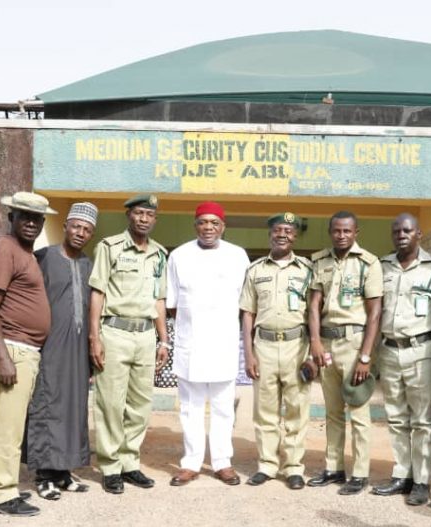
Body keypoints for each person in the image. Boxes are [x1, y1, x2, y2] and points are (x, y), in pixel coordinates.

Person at [0, 192, 54, 517]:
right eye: (25, 216)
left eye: (37, 218)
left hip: (21, 349)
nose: (31, 223)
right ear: (12, 217)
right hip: (13, 349)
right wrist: (4, 356)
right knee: (10, 426)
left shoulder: (25, 253)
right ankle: (3, 492)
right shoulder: (5, 250)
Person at [89, 195, 170, 494]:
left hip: (146, 336)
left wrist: (164, 340)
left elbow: (159, 300)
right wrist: (94, 336)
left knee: (140, 404)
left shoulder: (160, 254)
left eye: (150, 214)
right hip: (115, 332)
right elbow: (97, 292)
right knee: (111, 402)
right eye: (139, 213)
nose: (144, 219)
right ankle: (110, 466)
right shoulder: (109, 248)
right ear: (129, 216)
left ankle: (130, 462)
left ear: (155, 219)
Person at [166, 202, 249, 486]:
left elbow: (246, 304)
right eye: (203, 222)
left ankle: (222, 462)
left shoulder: (238, 256)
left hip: (224, 344)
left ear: (223, 227)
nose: (209, 227)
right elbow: (172, 303)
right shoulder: (179, 256)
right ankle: (190, 463)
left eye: (215, 222)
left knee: (224, 407)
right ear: (195, 226)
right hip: (191, 345)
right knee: (190, 407)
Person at [24, 202, 97, 500]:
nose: (80, 233)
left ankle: (64, 471)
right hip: (50, 344)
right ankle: (43, 473)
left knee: (74, 408)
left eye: (87, 230)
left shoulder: (89, 265)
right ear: (66, 226)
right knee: (46, 405)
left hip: (79, 349)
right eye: (76, 226)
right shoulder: (43, 257)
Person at [307, 211, 383, 495]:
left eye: (347, 231)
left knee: (359, 411)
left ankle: (360, 473)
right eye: (337, 231)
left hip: (354, 343)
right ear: (330, 231)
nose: (341, 235)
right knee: (333, 412)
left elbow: (375, 312)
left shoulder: (369, 263)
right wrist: (315, 342)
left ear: (356, 232)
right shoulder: (320, 261)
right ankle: (333, 468)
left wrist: (366, 356)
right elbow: (314, 305)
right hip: (326, 344)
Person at [240, 212, 315, 490]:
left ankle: (294, 467)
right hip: (265, 347)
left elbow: (314, 313)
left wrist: (312, 353)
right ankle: (267, 465)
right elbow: (247, 314)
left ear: (295, 236)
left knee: (297, 409)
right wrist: (248, 354)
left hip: (298, 345)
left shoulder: (308, 270)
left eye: (289, 230)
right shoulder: (256, 270)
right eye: (278, 230)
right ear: (270, 234)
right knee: (265, 411)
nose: (282, 234)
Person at [371, 214, 431, 506]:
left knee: (423, 419)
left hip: (421, 350)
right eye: (397, 230)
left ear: (419, 234)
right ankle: (402, 475)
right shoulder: (382, 266)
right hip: (389, 350)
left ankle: (422, 480)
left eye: (407, 230)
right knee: (397, 417)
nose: (401, 234)